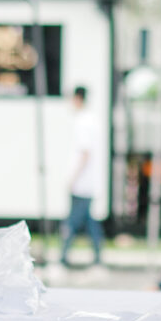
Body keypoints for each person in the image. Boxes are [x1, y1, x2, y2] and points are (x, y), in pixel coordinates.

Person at [60, 85, 103, 266]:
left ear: (77, 99)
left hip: (82, 182)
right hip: (88, 182)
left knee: (72, 222)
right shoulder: (92, 120)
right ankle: (97, 256)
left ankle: (63, 257)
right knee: (89, 221)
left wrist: (73, 178)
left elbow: (85, 153)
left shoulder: (83, 122)